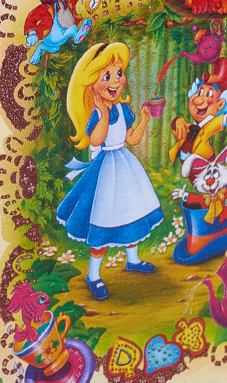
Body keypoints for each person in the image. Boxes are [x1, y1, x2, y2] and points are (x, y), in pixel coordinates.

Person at [57, 41, 163, 300]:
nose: (116, 80)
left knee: (132, 213)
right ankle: (94, 275)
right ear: (92, 85)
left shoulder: (123, 109)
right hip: (105, 172)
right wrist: (103, 114)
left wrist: (144, 119)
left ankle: (133, 260)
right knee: (104, 220)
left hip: (125, 167)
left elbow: (131, 138)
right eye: (107, 76)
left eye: (119, 73)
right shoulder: (96, 112)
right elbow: (95, 139)